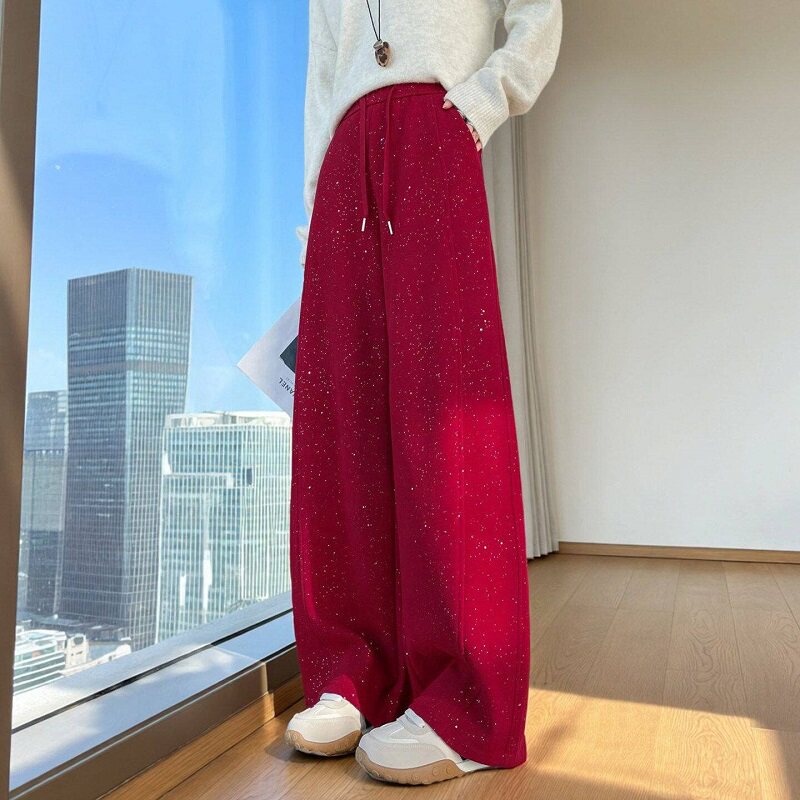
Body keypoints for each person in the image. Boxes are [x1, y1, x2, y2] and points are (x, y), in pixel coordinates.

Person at [285, 0, 562, 786]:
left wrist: (483, 100)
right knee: (341, 424)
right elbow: (321, 75)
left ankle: (468, 703)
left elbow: (538, 12)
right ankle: (352, 672)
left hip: (437, 125)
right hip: (344, 156)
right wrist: (316, 206)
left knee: (449, 411)